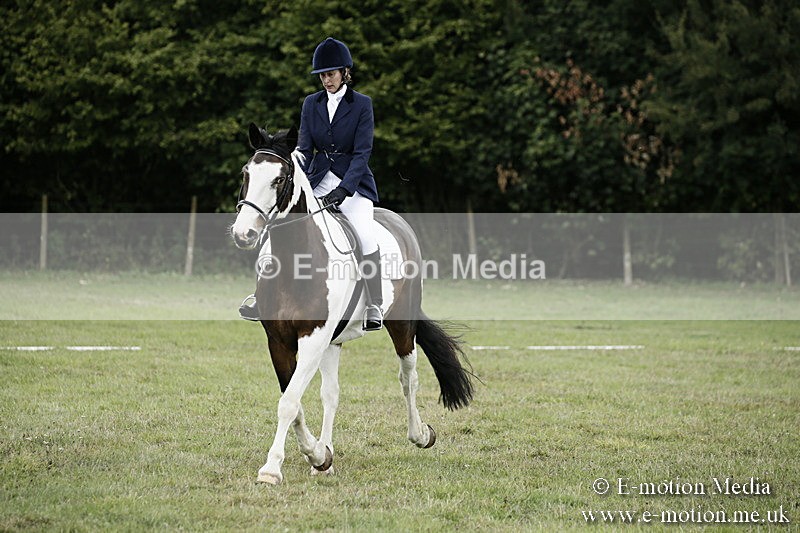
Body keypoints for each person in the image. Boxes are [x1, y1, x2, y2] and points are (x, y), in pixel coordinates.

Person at [240, 37, 384, 331]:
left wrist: (344, 190)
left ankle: (374, 304)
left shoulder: (362, 104)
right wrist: (291, 167)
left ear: (344, 72)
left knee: (365, 235)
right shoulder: (311, 103)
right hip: (317, 181)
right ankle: (260, 295)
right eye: (322, 75)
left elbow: (362, 153)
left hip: (354, 184)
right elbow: (304, 148)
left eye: (331, 74)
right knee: (276, 227)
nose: (326, 80)